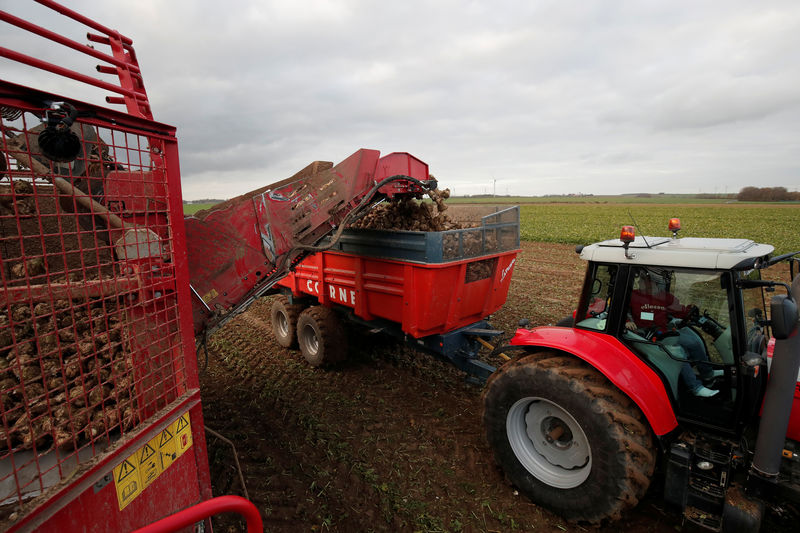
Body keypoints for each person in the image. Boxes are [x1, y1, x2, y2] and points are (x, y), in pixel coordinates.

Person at [626, 270, 723, 397]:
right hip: (646, 336)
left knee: (693, 342)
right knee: (678, 352)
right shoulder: (633, 296)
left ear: (655, 282)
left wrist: (691, 310)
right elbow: (621, 310)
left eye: (646, 280)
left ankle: (708, 374)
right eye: (642, 280)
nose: (642, 282)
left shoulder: (665, 297)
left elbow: (680, 311)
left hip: (664, 332)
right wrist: (627, 321)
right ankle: (695, 387)